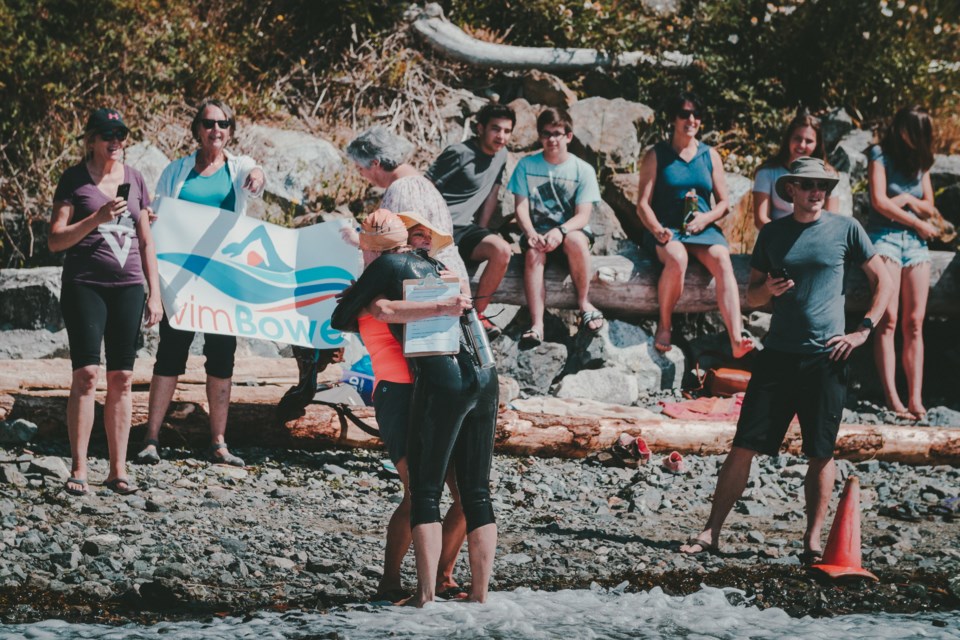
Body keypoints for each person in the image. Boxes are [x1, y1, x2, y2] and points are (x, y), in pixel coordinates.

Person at [679, 157, 893, 562]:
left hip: (827, 357)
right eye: (809, 185)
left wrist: (864, 329)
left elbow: (883, 280)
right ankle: (711, 532)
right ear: (791, 189)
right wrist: (769, 292)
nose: (817, 192)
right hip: (777, 356)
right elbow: (752, 297)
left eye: (824, 187)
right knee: (743, 446)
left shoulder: (846, 228)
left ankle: (812, 543)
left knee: (821, 452)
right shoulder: (773, 234)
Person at [332, 209, 499, 607]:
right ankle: (391, 581)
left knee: (457, 495)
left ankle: (441, 578)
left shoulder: (410, 274)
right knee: (417, 491)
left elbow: (373, 313)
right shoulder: (386, 277)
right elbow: (352, 316)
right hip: (400, 393)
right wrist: (364, 297)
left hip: (433, 387)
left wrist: (366, 299)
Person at [137, 98, 265, 467]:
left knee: (222, 359)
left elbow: (255, 177)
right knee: (170, 356)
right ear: (197, 128)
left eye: (223, 124)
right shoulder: (176, 171)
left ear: (231, 130)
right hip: (181, 281)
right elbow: (159, 222)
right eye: (209, 124)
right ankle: (151, 438)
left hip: (222, 284)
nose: (216, 130)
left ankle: (219, 442)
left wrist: (259, 177)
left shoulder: (238, 168)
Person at [49, 108, 163, 496]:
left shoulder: (134, 180)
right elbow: (55, 240)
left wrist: (155, 294)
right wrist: (95, 219)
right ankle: (79, 468)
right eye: (108, 134)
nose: (116, 141)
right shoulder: (74, 180)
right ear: (92, 139)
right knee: (87, 376)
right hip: (85, 285)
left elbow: (147, 240)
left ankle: (118, 469)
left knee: (123, 377)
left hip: (129, 285)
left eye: (121, 134)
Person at [635, 92, 753, 358]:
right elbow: (642, 204)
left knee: (723, 258)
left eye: (696, 115)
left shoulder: (710, 155)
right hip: (666, 227)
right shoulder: (656, 155)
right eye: (684, 114)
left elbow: (723, 203)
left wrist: (705, 219)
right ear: (674, 119)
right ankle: (665, 324)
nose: (691, 119)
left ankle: (736, 336)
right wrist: (656, 229)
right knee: (677, 258)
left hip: (701, 228)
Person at [506, 107, 604, 348]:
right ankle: (537, 324)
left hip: (569, 232)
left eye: (557, 133)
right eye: (546, 134)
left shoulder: (583, 170)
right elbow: (521, 208)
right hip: (537, 233)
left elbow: (583, 216)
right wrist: (530, 233)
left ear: (568, 136)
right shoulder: (526, 166)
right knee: (532, 254)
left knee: (576, 240)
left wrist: (560, 231)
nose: (551, 139)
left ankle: (584, 304)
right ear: (540, 136)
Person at [866, 106, 939, 421]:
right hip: (884, 239)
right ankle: (892, 398)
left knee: (914, 322)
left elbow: (930, 206)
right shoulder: (879, 153)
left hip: (915, 245)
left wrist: (906, 202)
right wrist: (914, 217)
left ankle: (915, 398)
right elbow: (878, 202)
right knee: (889, 319)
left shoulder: (922, 162)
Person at [425, 103, 516, 338]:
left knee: (502, 250)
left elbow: (492, 193)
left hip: (466, 229)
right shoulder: (458, 152)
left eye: (507, 131)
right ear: (480, 128)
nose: (502, 136)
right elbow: (426, 187)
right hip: (437, 229)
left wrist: (483, 230)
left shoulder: (502, 154)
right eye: (496, 129)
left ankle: (477, 314)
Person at [344, 126, 470, 292]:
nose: (361, 175)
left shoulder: (403, 188)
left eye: (360, 168)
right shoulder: (419, 183)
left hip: (432, 286)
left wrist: (360, 242)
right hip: (446, 278)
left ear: (375, 163)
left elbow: (406, 246)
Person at [753, 111, 840, 229]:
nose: (802, 145)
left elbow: (832, 220)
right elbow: (760, 220)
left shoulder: (829, 175)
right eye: (797, 139)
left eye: (809, 141)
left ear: (817, 144)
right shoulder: (767, 172)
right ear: (788, 139)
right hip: (778, 237)